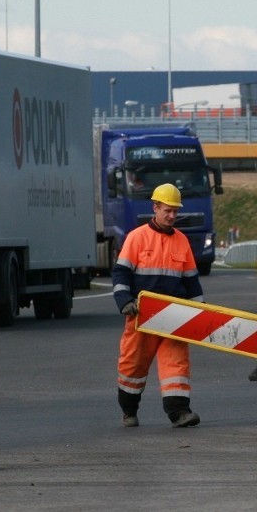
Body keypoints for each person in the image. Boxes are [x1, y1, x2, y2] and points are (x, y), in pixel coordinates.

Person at [112, 183, 205, 428]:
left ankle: (180, 413)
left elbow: (192, 283)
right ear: (155, 208)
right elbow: (120, 273)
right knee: (133, 365)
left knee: (176, 366)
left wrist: (200, 313)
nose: (172, 216)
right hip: (141, 315)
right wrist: (124, 301)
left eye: (175, 211)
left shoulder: (182, 241)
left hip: (174, 317)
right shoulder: (137, 237)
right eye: (167, 210)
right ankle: (129, 411)